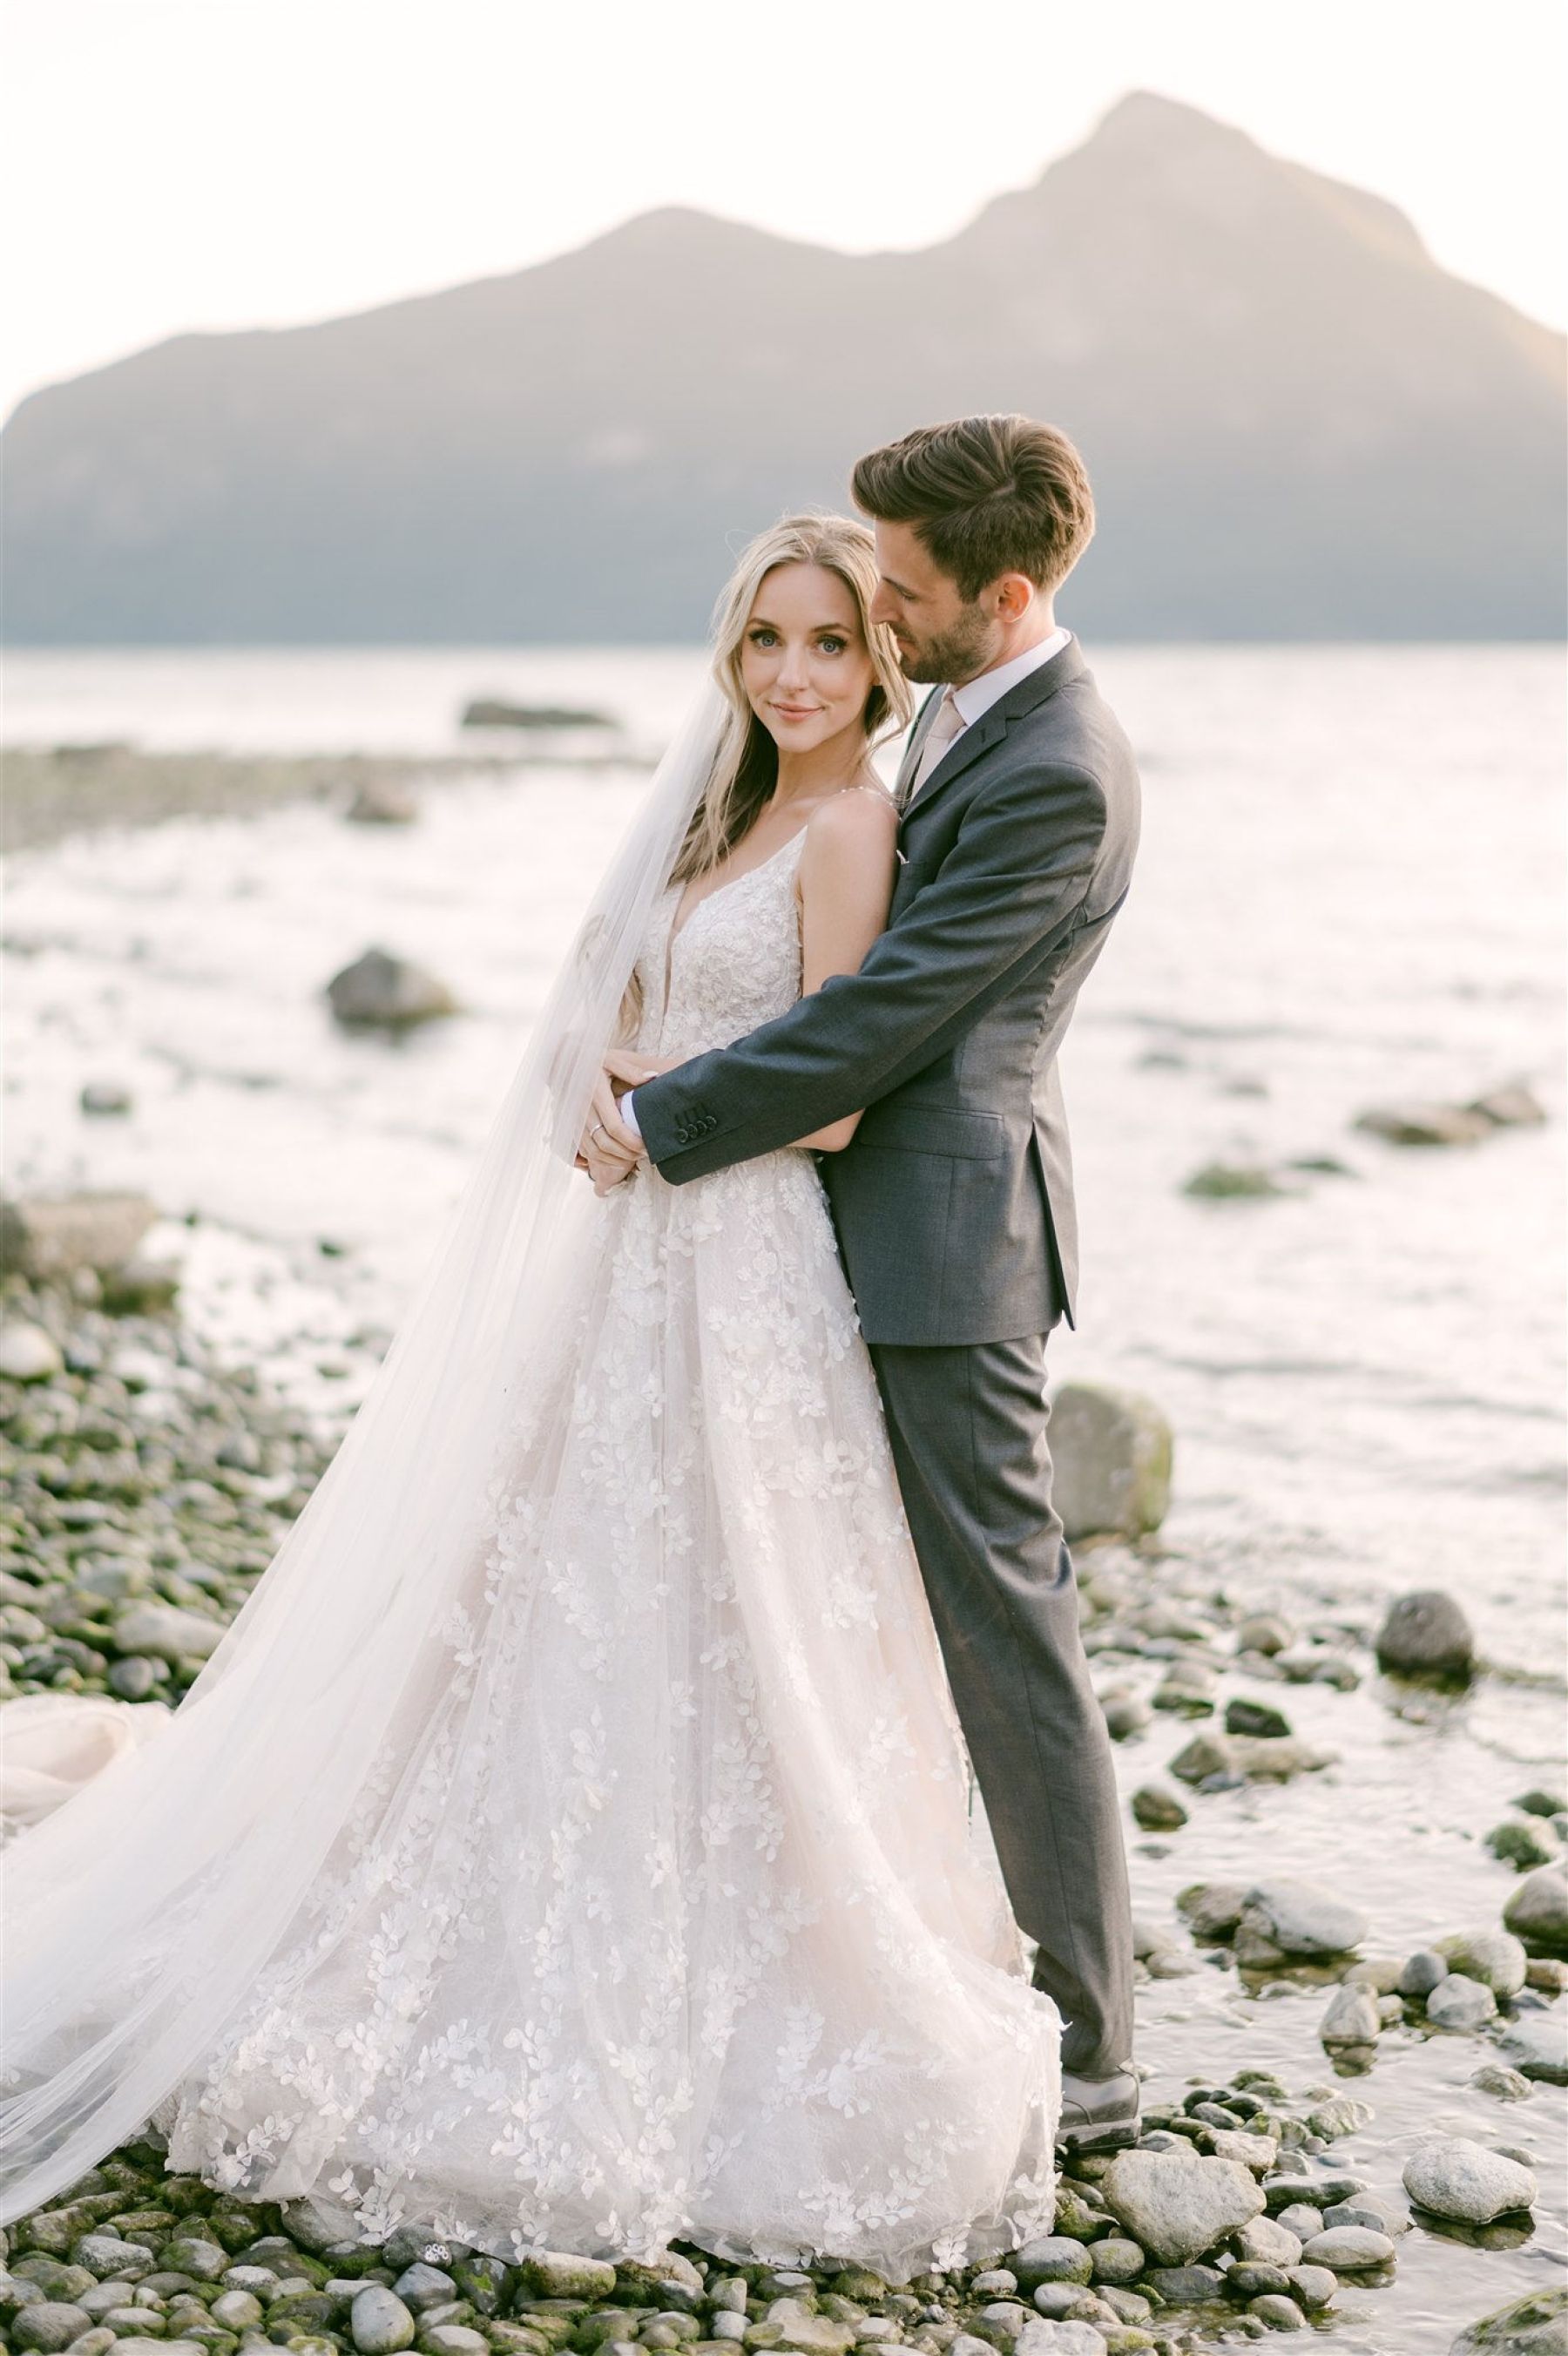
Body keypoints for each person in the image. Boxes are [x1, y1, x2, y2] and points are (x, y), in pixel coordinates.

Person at [1, 512, 1063, 2274]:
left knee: (741, 1621)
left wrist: (667, 1096)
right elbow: (603, 998)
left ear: (881, 662)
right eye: (768, 642)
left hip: (742, 1276)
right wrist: (596, 1080)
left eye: (829, 645)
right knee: (542, 1591)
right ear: (734, 654)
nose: (795, 673)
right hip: (629, 1262)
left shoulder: (855, 822)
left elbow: (844, 1097)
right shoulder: (718, 811)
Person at [589, 416, 1143, 2151]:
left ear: (1011, 589)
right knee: (840, 1609)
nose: (879, 622)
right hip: (840, 1239)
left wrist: (668, 1113)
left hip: (941, 1245)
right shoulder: (976, 718)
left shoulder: (1060, 763)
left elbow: (884, 1014)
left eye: (902, 594)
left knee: (1005, 1630)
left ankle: (1091, 2036)